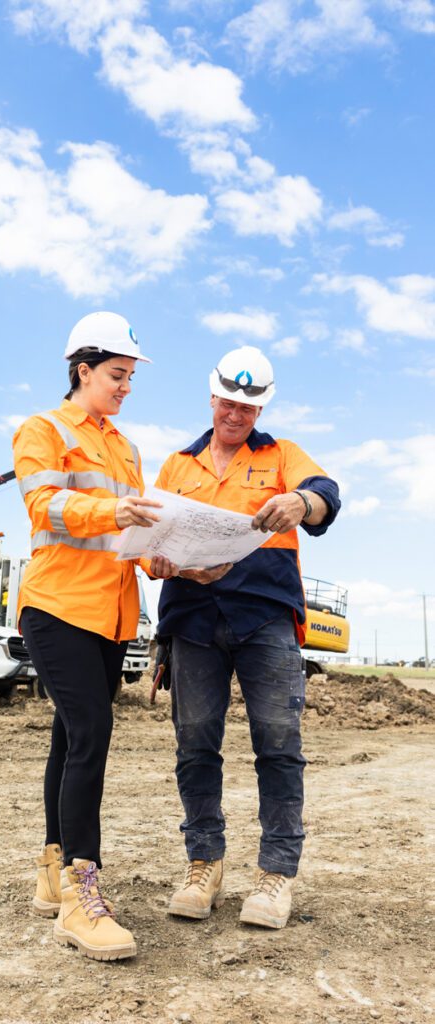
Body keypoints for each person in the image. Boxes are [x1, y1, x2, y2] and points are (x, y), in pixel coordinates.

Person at [155, 345, 340, 930]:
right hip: (192, 619)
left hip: (265, 619)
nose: (237, 413)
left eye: (249, 406)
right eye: (229, 402)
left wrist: (301, 501)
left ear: (261, 409)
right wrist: (168, 565)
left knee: (279, 745)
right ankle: (203, 863)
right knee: (195, 743)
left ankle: (276, 873)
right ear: (212, 396)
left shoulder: (281, 455)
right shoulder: (177, 466)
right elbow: (150, 544)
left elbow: (325, 493)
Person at [13, 311, 173, 962]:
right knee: (93, 733)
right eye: (117, 374)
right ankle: (82, 896)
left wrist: (159, 558)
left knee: (71, 735)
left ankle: (50, 873)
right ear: (83, 369)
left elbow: (130, 533)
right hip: (56, 607)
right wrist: (113, 511)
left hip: (111, 615)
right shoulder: (42, 430)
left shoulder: (126, 448)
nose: (126, 387)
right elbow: (44, 507)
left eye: (131, 376)